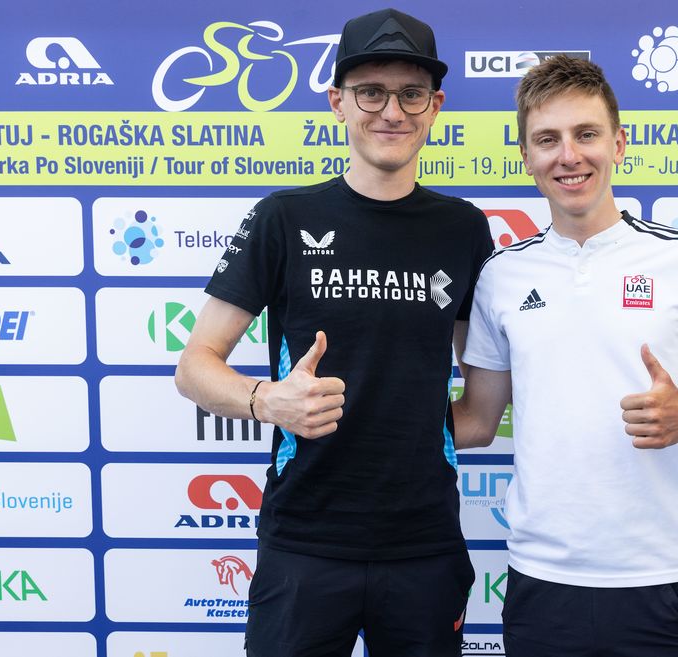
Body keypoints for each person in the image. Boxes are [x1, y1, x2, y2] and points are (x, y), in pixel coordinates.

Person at [175, 9, 493, 657]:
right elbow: (195, 365)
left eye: (410, 94)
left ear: (435, 107)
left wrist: (412, 427)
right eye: (370, 92)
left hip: (424, 546)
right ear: (337, 102)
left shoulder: (463, 228)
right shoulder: (283, 217)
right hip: (304, 543)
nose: (391, 112)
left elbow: (482, 416)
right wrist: (267, 400)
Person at [453, 55, 678, 657]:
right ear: (526, 156)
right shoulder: (502, 276)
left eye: (586, 134)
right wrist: (360, 422)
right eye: (547, 140)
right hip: (541, 583)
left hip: (662, 580)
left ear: (618, 143)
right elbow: (477, 422)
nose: (569, 156)